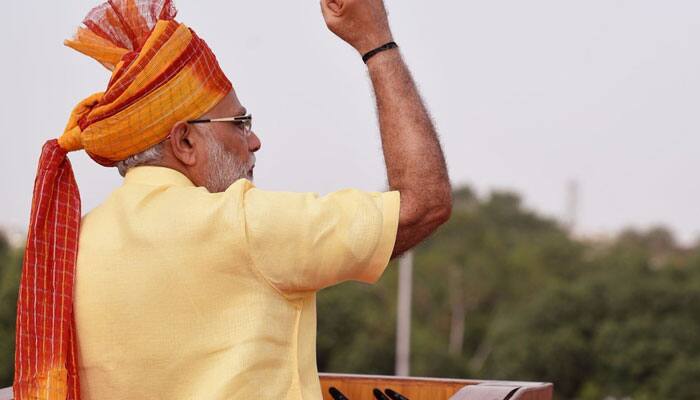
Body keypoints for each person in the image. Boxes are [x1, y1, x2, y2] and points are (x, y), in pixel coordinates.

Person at [13, 0, 451, 398]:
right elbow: (422, 202)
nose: (255, 141)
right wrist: (375, 41)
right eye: (240, 122)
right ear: (184, 141)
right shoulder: (241, 224)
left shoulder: (74, 245)